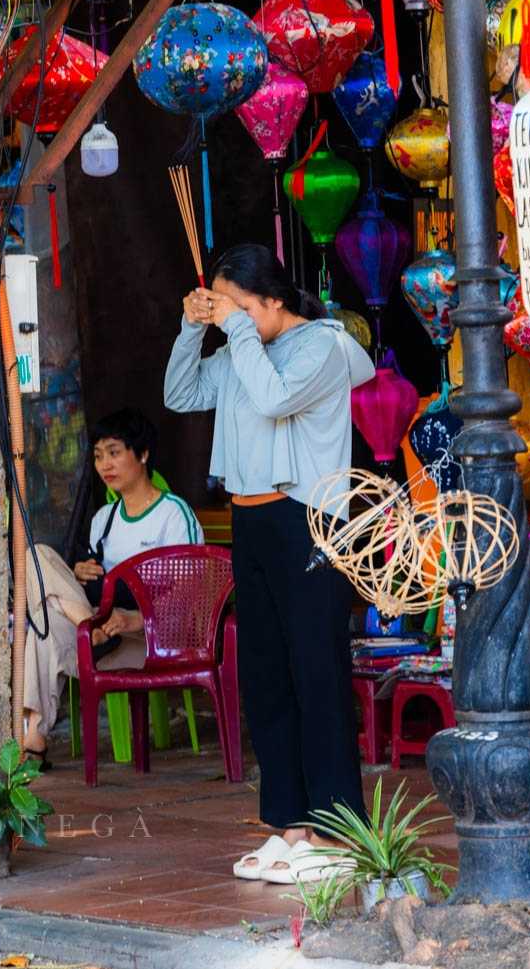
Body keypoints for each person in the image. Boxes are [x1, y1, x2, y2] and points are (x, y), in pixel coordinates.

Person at [163, 243, 374, 885]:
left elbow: (276, 398)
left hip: (308, 520)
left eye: (242, 306)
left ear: (275, 300)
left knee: (317, 673)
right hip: (252, 522)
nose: (233, 319)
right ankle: (291, 827)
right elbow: (180, 394)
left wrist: (231, 330)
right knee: (266, 677)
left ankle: (340, 833)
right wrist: (190, 327)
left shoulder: (324, 348)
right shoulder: (238, 349)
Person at [18, 409, 202, 763]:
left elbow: (191, 594)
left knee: (47, 620)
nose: (106, 464)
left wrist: (135, 619)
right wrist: (80, 572)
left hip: (149, 640)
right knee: (36, 560)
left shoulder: (174, 514)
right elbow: (94, 578)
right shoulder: (104, 519)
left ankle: (33, 735)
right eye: (99, 455)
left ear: (143, 454)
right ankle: (89, 627)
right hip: (103, 634)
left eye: (115, 452)